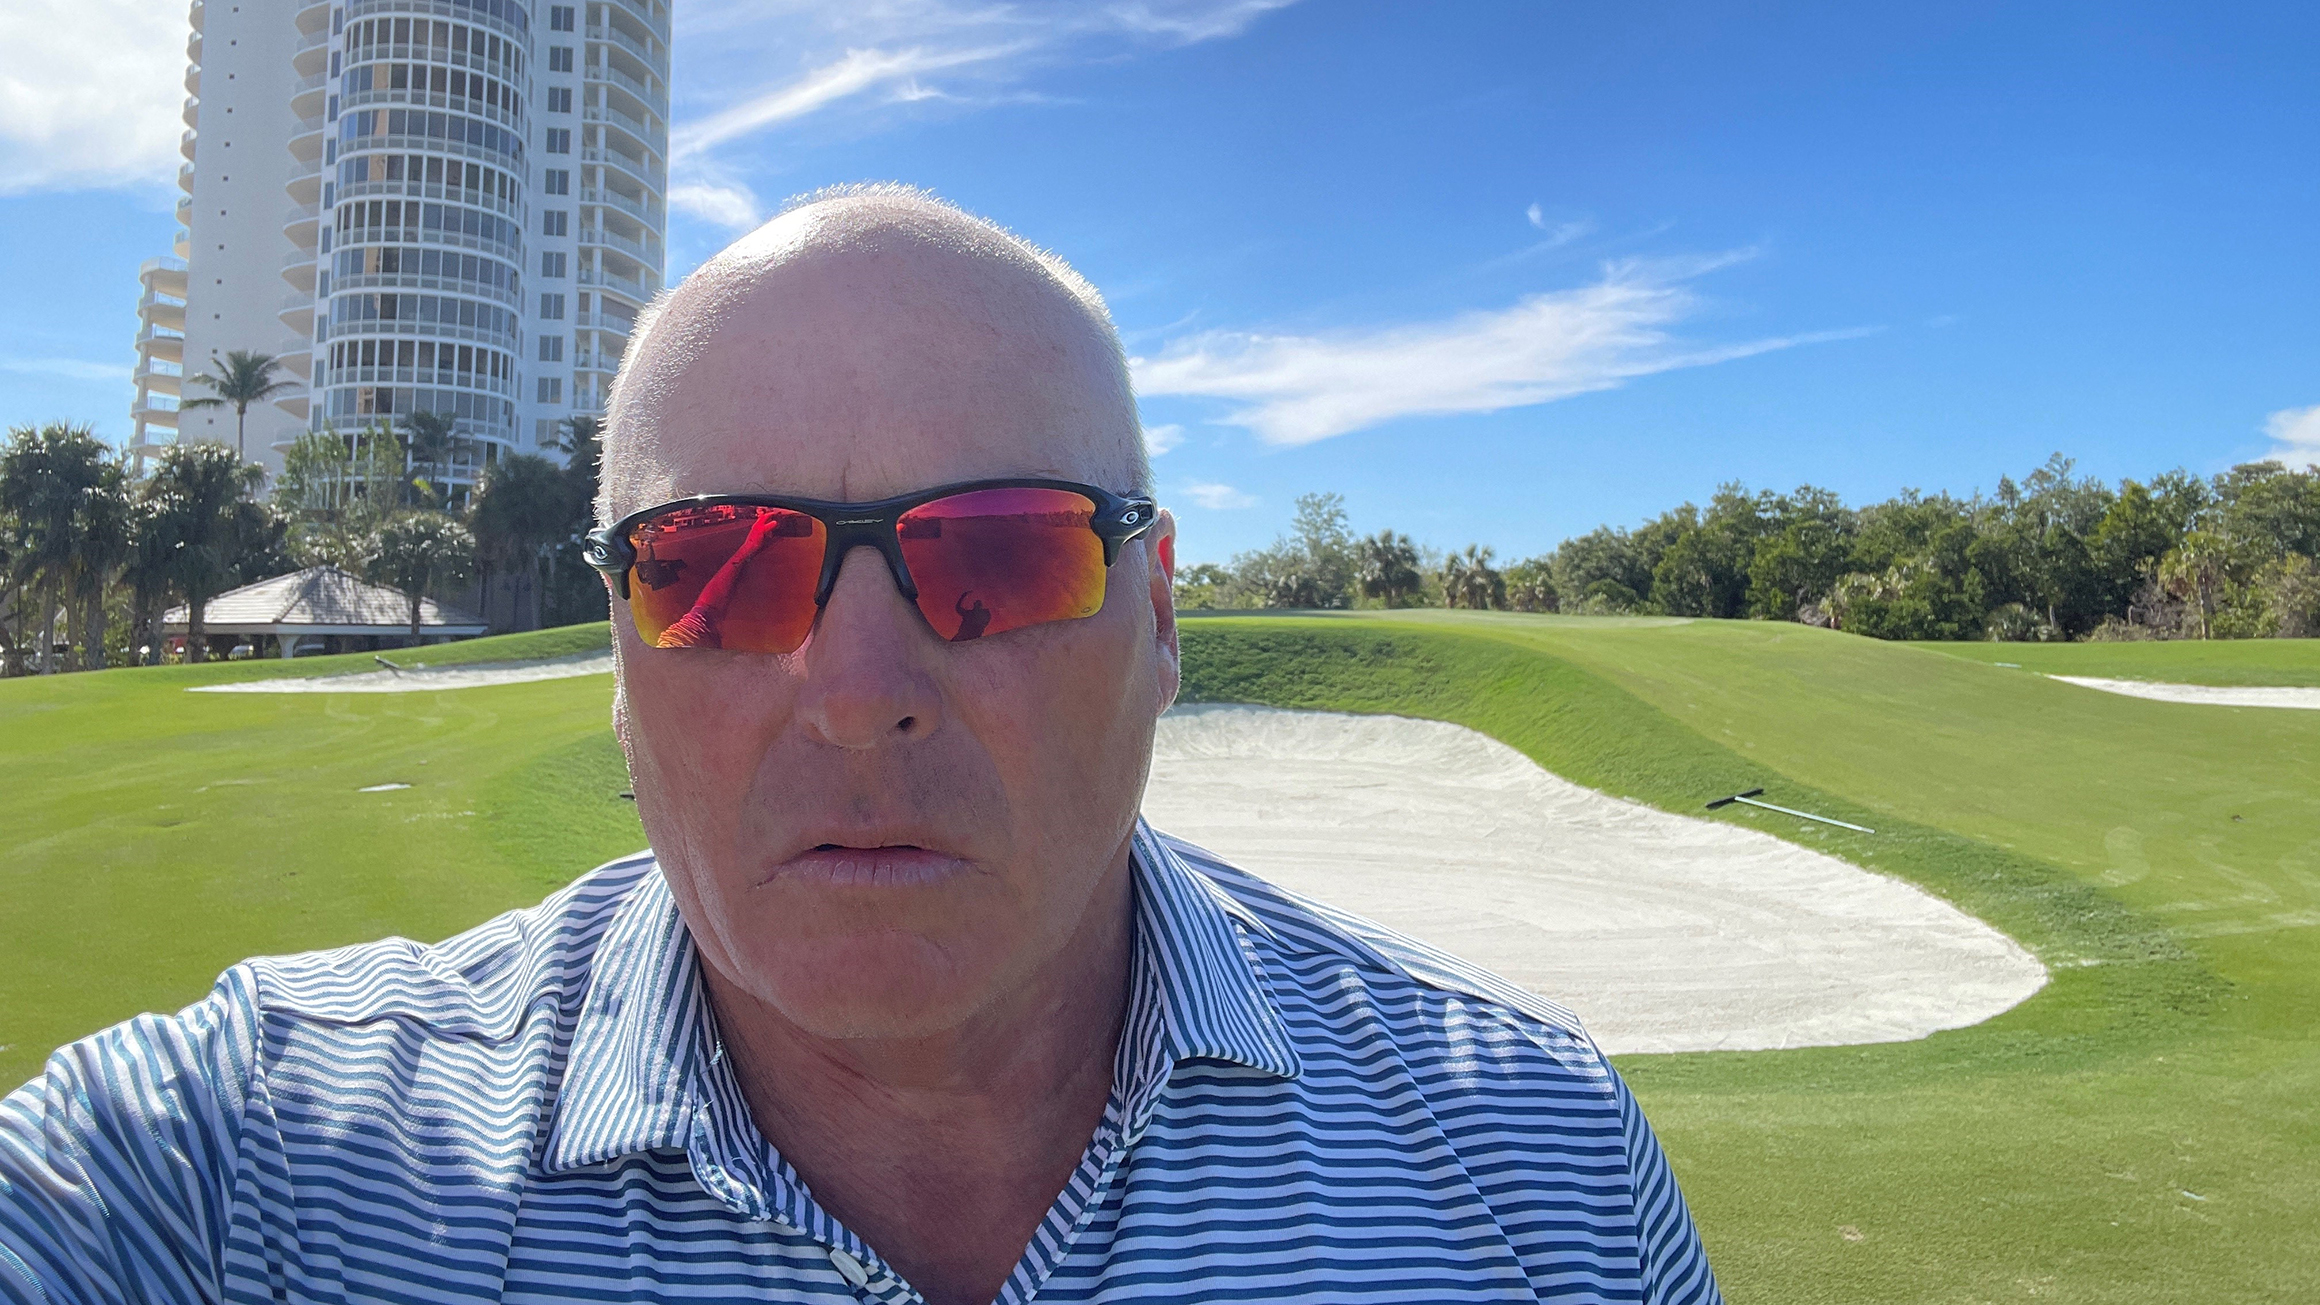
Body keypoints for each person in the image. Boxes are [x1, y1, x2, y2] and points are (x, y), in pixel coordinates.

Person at [0, 187, 1721, 1304]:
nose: (858, 683)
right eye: (717, 572)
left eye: (1001, 550)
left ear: (1164, 616)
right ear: (620, 647)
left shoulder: (1535, 1169)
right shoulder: (251, 1171)